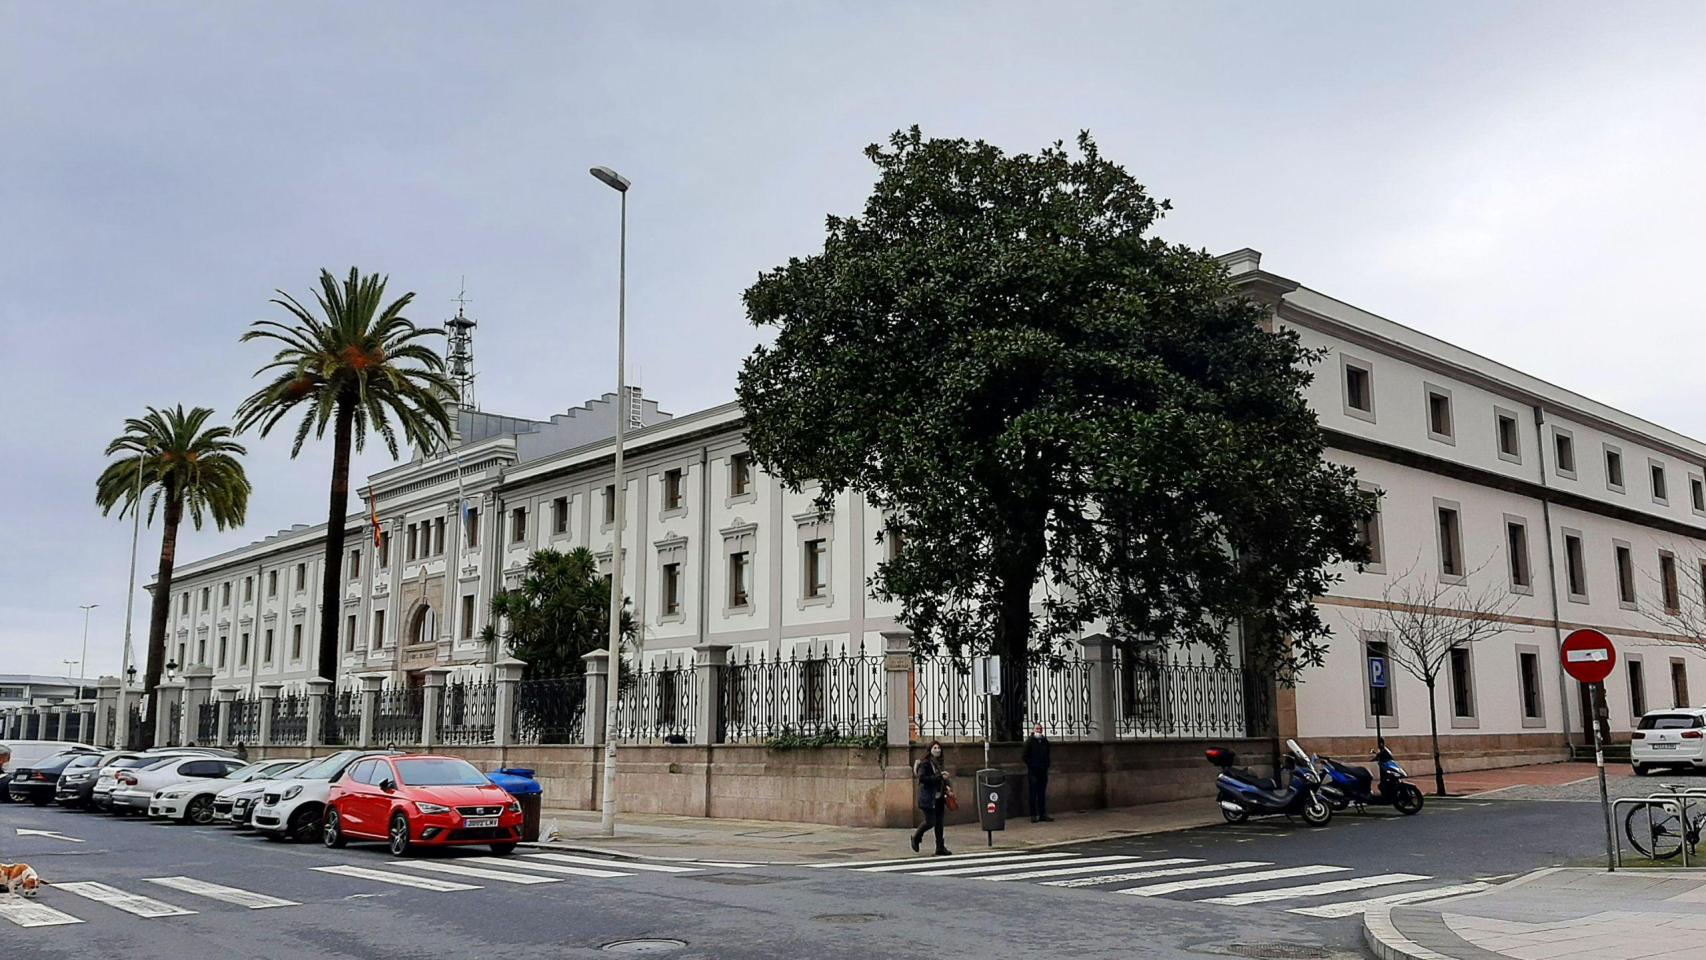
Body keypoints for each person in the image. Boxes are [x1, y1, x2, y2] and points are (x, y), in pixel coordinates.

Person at [910, 740, 952, 856]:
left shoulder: (939, 763)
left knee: (939, 823)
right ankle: (916, 837)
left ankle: (940, 847)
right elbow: (922, 778)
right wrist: (940, 777)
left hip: (939, 797)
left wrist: (947, 787)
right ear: (930, 750)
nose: (937, 750)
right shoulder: (926, 763)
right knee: (930, 821)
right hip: (928, 798)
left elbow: (941, 780)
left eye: (939, 748)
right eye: (935, 748)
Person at [1023, 723, 1053, 822]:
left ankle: (1042, 814)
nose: (1039, 730)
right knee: (1033, 793)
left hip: (1043, 770)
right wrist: (1031, 765)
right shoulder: (1030, 741)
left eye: (1040, 729)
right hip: (1033, 771)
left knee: (1041, 793)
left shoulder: (1044, 741)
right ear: (1034, 730)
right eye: (1037, 729)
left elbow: (1048, 754)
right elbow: (1025, 756)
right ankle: (1033, 815)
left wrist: (1046, 764)